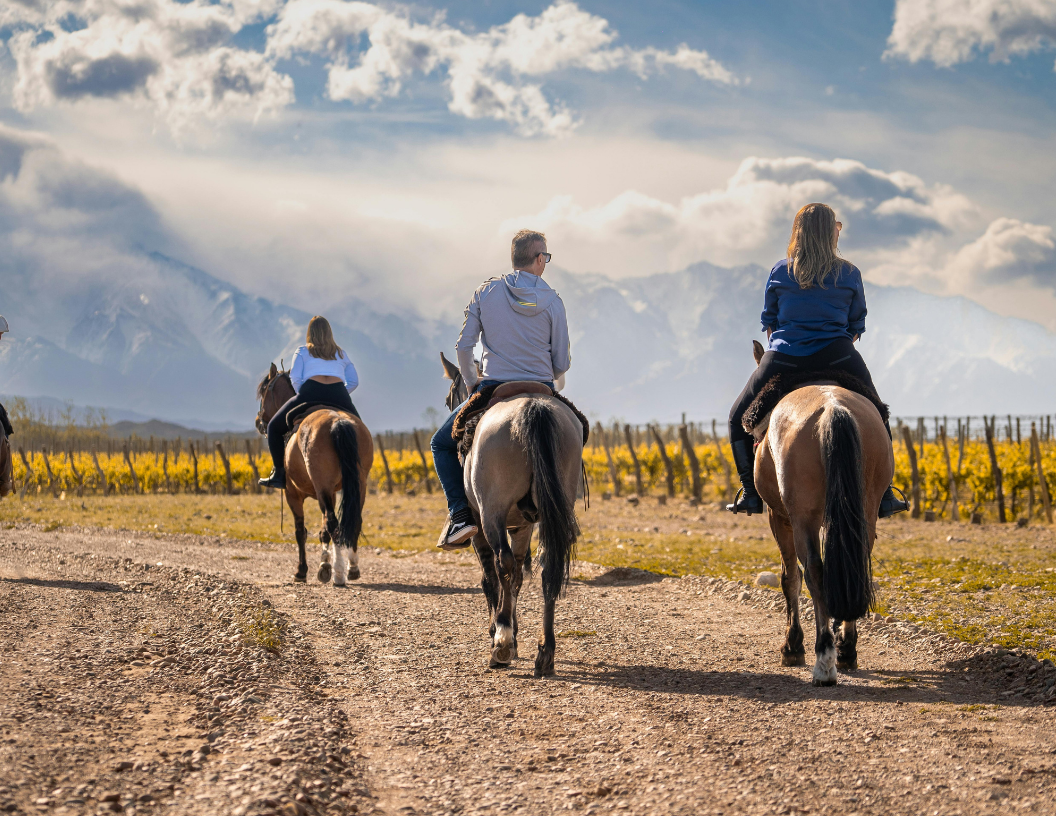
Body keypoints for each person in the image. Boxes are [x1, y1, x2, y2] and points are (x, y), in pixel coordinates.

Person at [727, 203, 909, 519]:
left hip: (784, 358)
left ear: (797, 232)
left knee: (736, 418)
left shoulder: (780, 271)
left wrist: (791, 346)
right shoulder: (850, 273)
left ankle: (750, 494)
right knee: (878, 415)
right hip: (838, 355)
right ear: (831, 233)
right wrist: (831, 346)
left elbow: (770, 322)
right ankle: (884, 496)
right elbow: (856, 326)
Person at [431, 229, 571, 548]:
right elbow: (561, 361)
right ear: (538, 259)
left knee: (440, 444)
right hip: (542, 386)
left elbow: (464, 347)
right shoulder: (554, 301)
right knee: (579, 429)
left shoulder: (486, 292)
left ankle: (460, 517)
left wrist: (472, 385)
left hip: (494, 387)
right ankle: (565, 506)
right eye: (545, 257)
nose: (545, 263)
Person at [259, 316, 361, 489]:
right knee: (359, 429)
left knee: (273, 428)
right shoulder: (341, 353)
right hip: (339, 394)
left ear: (310, 333)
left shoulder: (302, 351)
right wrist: (340, 393)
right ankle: (359, 470)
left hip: (311, 391)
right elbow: (354, 381)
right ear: (329, 332)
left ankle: (279, 474)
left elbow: (295, 378)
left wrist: (304, 396)